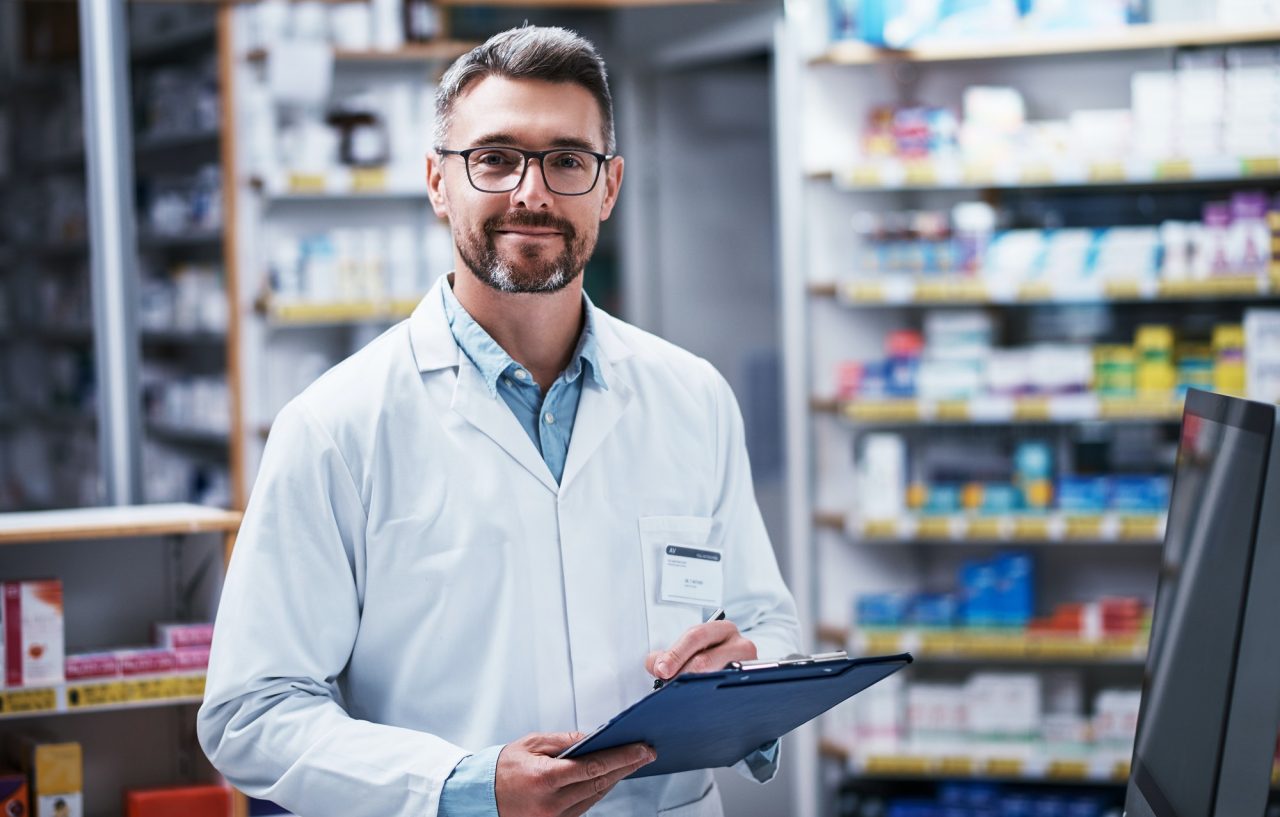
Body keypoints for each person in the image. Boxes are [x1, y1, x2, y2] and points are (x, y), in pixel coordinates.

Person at [197, 25, 800, 817]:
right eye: (495, 157)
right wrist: (460, 785)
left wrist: (748, 673)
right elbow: (252, 711)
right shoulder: (337, 425)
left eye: (567, 160)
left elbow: (765, 623)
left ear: (609, 186)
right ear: (438, 182)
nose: (532, 192)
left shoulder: (692, 396)